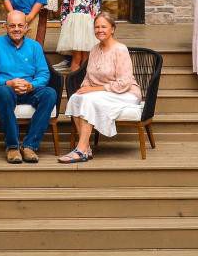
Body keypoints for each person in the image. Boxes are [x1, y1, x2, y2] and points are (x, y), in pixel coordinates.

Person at [59, 13, 141, 164]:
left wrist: (94, 89)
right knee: (77, 98)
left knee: (89, 99)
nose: (99, 30)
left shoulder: (120, 49)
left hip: (125, 93)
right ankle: (86, 148)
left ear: (112, 29)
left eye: (104, 26)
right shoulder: (94, 49)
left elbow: (124, 82)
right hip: (102, 92)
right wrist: (83, 89)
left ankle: (80, 150)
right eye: (97, 27)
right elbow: (88, 77)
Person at [0, 10, 58, 164]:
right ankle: (13, 147)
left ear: (26, 27)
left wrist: (31, 85)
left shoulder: (35, 47)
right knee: (5, 92)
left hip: (29, 90)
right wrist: (8, 83)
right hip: (2, 90)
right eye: (12, 25)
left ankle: (29, 145)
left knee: (50, 93)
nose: (16, 29)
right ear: (5, 27)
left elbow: (43, 74)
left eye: (20, 25)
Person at [54, 0, 99, 73]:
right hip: (75, 26)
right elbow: (64, 9)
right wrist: (64, 23)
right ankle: (74, 80)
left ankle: (85, 78)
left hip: (88, 26)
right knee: (77, 56)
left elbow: (96, 10)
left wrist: (96, 24)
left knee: (86, 56)